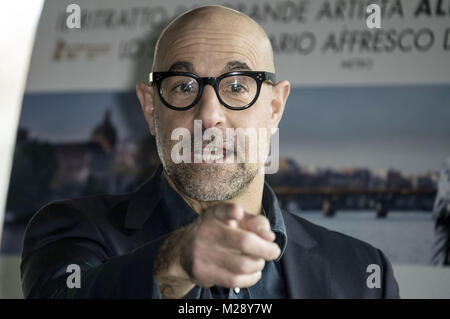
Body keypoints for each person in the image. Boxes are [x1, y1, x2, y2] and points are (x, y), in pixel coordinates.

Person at [20, 5, 399, 299]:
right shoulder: (71, 232)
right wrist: (171, 265)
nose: (209, 115)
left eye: (237, 85)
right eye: (184, 87)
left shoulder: (363, 271)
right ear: (151, 109)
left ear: (275, 108)